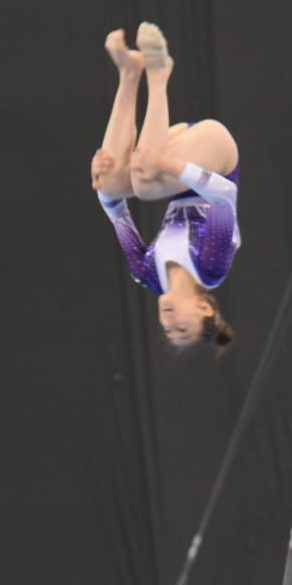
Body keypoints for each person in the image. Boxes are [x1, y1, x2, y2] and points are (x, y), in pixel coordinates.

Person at [90, 22, 240, 352]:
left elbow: (115, 211)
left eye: (168, 332)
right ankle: (158, 74)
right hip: (216, 157)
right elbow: (224, 195)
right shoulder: (211, 266)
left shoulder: (147, 272)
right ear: (204, 307)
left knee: (113, 183)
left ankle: (129, 74)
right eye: (183, 329)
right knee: (144, 182)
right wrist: (167, 165)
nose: (169, 324)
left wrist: (99, 177)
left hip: (171, 159)